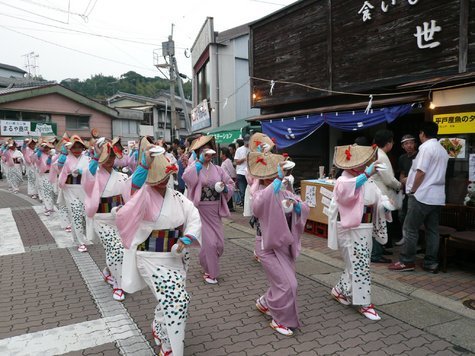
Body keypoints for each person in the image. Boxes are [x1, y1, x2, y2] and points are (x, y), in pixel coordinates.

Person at [116, 147, 201, 356]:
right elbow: (130, 191)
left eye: (166, 176)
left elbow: (194, 216)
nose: (163, 181)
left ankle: (159, 326)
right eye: (158, 178)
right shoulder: (142, 197)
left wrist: (188, 236)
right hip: (150, 257)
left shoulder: (178, 197)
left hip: (177, 255)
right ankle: (168, 345)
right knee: (177, 299)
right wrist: (143, 166)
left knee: (174, 296)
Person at [325, 144, 394, 321]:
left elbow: (378, 197)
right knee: (360, 265)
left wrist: (385, 205)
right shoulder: (344, 180)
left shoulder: (367, 179)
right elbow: (345, 193)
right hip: (349, 228)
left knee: (356, 264)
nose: (363, 165)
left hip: (366, 226)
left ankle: (340, 290)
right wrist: (366, 175)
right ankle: (364, 303)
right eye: (360, 163)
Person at [249, 150, 309, 336]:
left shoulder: (284, 192)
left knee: (283, 282)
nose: (278, 177)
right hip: (266, 247)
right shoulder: (258, 193)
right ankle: (280, 320)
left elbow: (304, 206)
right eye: (275, 174)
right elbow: (258, 207)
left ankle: (266, 302)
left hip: (283, 246)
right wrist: (276, 182)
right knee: (288, 284)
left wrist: (298, 207)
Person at [389, 122, 449, 273]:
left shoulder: (426, 148)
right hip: (437, 196)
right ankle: (431, 263)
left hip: (422, 195)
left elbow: (421, 172)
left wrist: (413, 190)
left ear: (422, 134)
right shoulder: (442, 150)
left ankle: (407, 261)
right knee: (432, 230)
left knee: (410, 229)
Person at [82, 137, 131, 301]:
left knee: (120, 250)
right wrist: (95, 158)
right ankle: (118, 284)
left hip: (119, 219)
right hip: (102, 219)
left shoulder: (122, 177)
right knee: (116, 249)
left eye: (111, 156)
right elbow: (87, 180)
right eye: (106, 156)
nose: (109, 160)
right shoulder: (93, 175)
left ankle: (109, 272)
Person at [182, 135, 234, 284]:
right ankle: (211, 272)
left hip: (215, 209)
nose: (207, 154)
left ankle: (206, 262)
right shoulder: (195, 166)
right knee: (210, 243)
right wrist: (198, 164)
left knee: (219, 243)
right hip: (201, 209)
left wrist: (224, 189)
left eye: (209, 151)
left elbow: (230, 184)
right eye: (204, 152)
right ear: (199, 153)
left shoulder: (218, 169)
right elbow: (187, 178)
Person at [371, 129, 402, 263]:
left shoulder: (374, 152)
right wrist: (400, 185)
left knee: (378, 223)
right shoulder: (382, 156)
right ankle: (376, 253)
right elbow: (388, 179)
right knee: (380, 223)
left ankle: (379, 249)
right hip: (381, 194)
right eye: (392, 141)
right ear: (388, 142)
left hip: (375, 193)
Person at [57, 135, 91, 252]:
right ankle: (81, 242)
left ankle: (77, 238)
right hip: (70, 189)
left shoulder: (86, 158)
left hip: (83, 189)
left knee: (81, 215)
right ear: (70, 148)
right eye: (74, 147)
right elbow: (59, 168)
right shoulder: (65, 158)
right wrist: (63, 156)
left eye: (79, 147)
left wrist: (82, 172)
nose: (77, 150)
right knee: (75, 213)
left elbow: (93, 172)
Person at [394, 134, 418, 246]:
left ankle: (414, 240)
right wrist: (401, 185)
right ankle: (405, 236)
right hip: (405, 190)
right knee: (402, 214)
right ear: (403, 146)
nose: (409, 145)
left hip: (417, 190)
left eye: (411, 143)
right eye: (406, 143)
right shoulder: (402, 158)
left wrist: (409, 179)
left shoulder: (419, 156)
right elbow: (402, 173)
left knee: (413, 216)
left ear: (415, 144)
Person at [234, 136, 250, 206]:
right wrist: (244, 158)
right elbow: (236, 162)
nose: (247, 143)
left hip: (250, 173)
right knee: (243, 191)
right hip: (241, 173)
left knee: (250, 191)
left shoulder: (252, 149)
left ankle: (249, 208)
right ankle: (244, 207)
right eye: (246, 141)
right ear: (244, 141)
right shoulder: (239, 150)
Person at [220, 147, 237, 212]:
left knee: (228, 192)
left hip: (228, 180)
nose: (220, 155)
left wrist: (233, 178)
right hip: (224, 180)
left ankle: (230, 207)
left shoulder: (228, 161)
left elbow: (232, 170)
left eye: (221, 153)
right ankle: (228, 206)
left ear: (224, 154)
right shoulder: (224, 161)